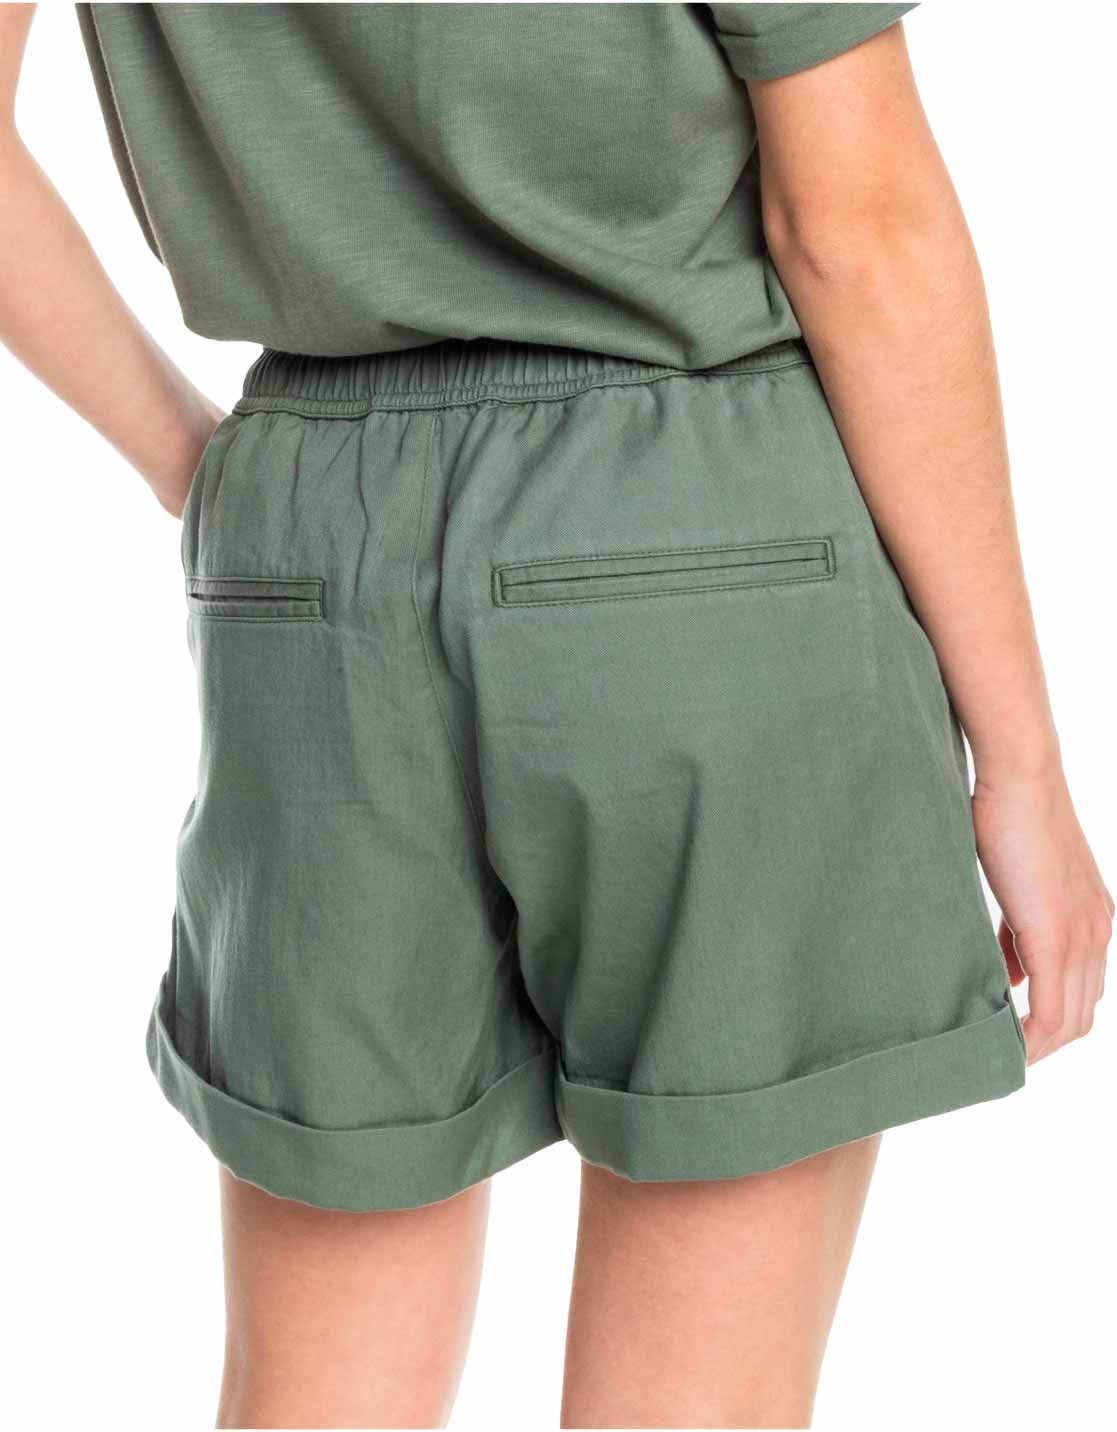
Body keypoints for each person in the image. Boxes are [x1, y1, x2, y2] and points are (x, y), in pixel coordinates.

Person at [1, 3, 1109, 1427]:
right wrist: (1021, 760)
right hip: (697, 533)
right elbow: (858, 229)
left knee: (317, 1398)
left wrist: (199, 466)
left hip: (307, 561)